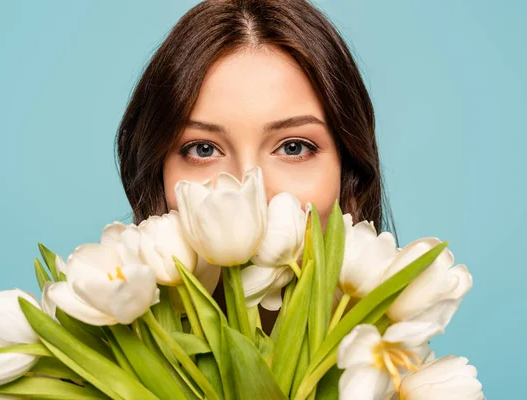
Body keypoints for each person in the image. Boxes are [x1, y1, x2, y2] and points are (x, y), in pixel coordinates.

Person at [115, 0, 394, 330]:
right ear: (155, 176)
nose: (251, 192)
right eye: (203, 149)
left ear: (350, 175)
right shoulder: (78, 379)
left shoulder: (401, 376)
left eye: (294, 147)